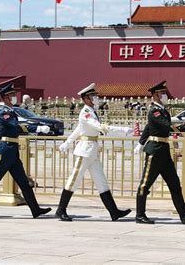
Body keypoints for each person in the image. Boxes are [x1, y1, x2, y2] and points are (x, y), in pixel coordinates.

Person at [55, 83, 133, 222]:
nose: (96, 98)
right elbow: (97, 127)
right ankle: (61, 210)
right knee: (74, 179)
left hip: (92, 151)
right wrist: (121, 129)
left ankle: (114, 212)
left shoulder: (91, 111)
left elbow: (78, 130)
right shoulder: (85, 112)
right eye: (93, 96)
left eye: (96, 96)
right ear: (86, 99)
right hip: (85, 150)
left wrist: (67, 142)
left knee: (101, 181)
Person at [0, 84, 51, 219]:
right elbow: (15, 127)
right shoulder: (5, 113)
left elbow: (0, 132)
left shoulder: (11, 112)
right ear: (5, 98)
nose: (14, 97)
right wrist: (36, 129)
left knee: (23, 182)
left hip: (12, 153)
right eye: (12, 95)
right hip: (5, 152)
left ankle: (35, 209)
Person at [133, 81, 185, 224]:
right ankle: (140, 214)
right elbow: (167, 125)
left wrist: (141, 142)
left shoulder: (162, 110)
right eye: (162, 93)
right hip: (154, 151)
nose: (165, 95)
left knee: (175, 185)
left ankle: (184, 215)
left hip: (164, 152)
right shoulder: (154, 111)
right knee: (145, 184)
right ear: (155, 95)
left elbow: (148, 127)